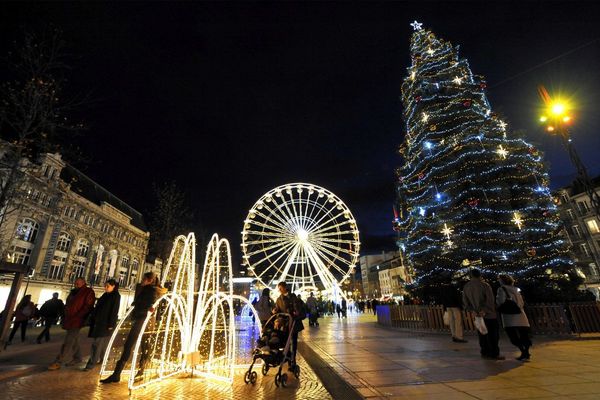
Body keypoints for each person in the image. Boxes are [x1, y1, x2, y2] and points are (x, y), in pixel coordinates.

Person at [101, 272, 166, 384]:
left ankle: (120, 374)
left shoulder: (150, 291)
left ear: (149, 280)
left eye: (144, 279)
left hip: (143, 320)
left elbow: (149, 306)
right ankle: (138, 372)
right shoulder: (149, 290)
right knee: (143, 346)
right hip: (145, 321)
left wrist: (137, 308)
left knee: (131, 345)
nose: (142, 280)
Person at [48, 278, 95, 370]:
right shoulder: (73, 292)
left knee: (68, 341)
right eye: (75, 283)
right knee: (74, 340)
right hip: (69, 318)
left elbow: (88, 306)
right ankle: (77, 358)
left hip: (78, 319)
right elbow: (69, 304)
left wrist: (79, 316)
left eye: (78, 283)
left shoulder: (88, 292)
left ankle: (58, 361)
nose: (76, 285)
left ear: (83, 283)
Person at [462, 269, 504, 360]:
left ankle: (484, 351)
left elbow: (465, 302)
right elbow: (490, 300)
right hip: (488, 314)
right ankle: (494, 353)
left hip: (477, 315)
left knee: (482, 333)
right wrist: (484, 310)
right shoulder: (484, 285)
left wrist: (472, 310)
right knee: (493, 335)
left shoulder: (466, 287)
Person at [84, 279, 121, 370]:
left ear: (113, 286)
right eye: (105, 286)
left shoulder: (116, 296)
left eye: (107, 286)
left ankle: (91, 364)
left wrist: (111, 324)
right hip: (98, 322)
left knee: (97, 343)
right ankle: (104, 358)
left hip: (104, 323)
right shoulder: (105, 295)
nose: (105, 287)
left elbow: (114, 310)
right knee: (102, 343)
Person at [496, 274, 531, 361]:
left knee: (513, 336)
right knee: (524, 335)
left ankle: (523, 351)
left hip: (509, 317)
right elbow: (521, 303)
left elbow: (500, 301)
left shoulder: (501, 289)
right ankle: (526, 352)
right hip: (521, 315)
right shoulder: (516, 289)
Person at [273, 282, 305, 365]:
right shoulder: (279, 299)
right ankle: (287, 357)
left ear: (285, 288)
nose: (279, 290)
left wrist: (296, 312)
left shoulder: (293, 297)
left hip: (294, 322)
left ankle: (293, 359)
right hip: (285, 324)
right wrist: (274, 311)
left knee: (293, 342)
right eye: (279, 288)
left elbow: (297, 308)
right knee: (286, 342)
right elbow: (277, 308)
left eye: (280, 288)